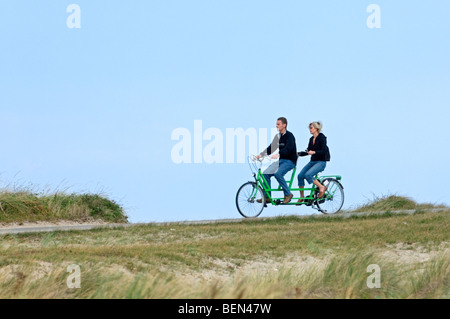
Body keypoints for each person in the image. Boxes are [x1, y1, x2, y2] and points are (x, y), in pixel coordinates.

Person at [256, 117, 297, 204]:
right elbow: (271, 147)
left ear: (284, 125)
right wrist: (261, 154)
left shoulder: (290, 136)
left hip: (290, 161)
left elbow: (288, 149)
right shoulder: (278, 136)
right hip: (281, 160)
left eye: (278, 124)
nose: (276, 126)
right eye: (276, 124)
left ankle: (288, 194)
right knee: (265, 174)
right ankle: (267, 197)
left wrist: (278, 154)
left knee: (278, 174)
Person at [296, 121, 331, 204]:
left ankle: (322, 187)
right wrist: (298, 154)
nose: (310, 129)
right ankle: (302, 196)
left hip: (321, 162)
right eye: (309, 128)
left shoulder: (322, 137)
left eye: (311, 128)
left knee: (308, 175)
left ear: (316, 128)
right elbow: (308, 150)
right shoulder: (311, 139)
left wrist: (314, 152)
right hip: (313, 161)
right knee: (300, 176)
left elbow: (323, 151)